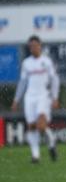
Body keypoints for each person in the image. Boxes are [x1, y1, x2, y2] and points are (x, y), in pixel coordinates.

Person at [11, 35, 60, 163]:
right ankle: (35, 155)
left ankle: (51, 144)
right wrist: (16, 99)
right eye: (30, 46)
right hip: (30, 98)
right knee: (32, 126)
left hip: (43, 96)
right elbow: (22, 82)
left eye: (35, 45)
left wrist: (55, 97)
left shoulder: (47, 62)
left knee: (41, 125)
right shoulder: (26, 63)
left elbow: (55, 80)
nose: (33, 48)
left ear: (40, 46)